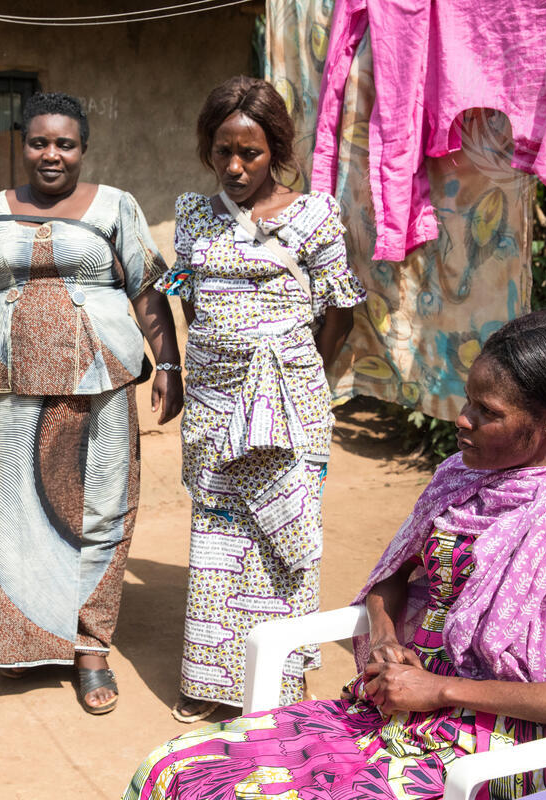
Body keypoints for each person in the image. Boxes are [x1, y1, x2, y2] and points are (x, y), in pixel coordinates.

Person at [123, 310, 546, 799]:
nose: (463, 419)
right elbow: (394, 576)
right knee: (170, 768)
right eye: (468, 400)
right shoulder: (460, 480)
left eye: (487, 412)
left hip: (497, 748)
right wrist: (384, 640)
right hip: (395, 711)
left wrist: (441, 689)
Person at [0, 91, 183, 715]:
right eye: (39, 142)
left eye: (64, 144)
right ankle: (25, 642)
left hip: (101, 384)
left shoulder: (116, 206)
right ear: (23, 145)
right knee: (13, 513)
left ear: (83, 148)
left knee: (100, 507)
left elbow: (147, 287)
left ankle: (91, 648)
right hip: (11, 385)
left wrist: (169, 363)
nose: (51, 154)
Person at [158, 76, 367, 723]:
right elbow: (191, 300)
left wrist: (298, 378)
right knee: (217, 534)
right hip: (214, 403)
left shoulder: (314, 215)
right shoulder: (194, 215)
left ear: (275, 147)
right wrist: (213, 363)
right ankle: (209, 677)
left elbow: (340, 312)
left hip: (291, 400)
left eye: (249, 152)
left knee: (283, 532)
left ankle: (277, 679)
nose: (234, 166)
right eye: (223, 151)